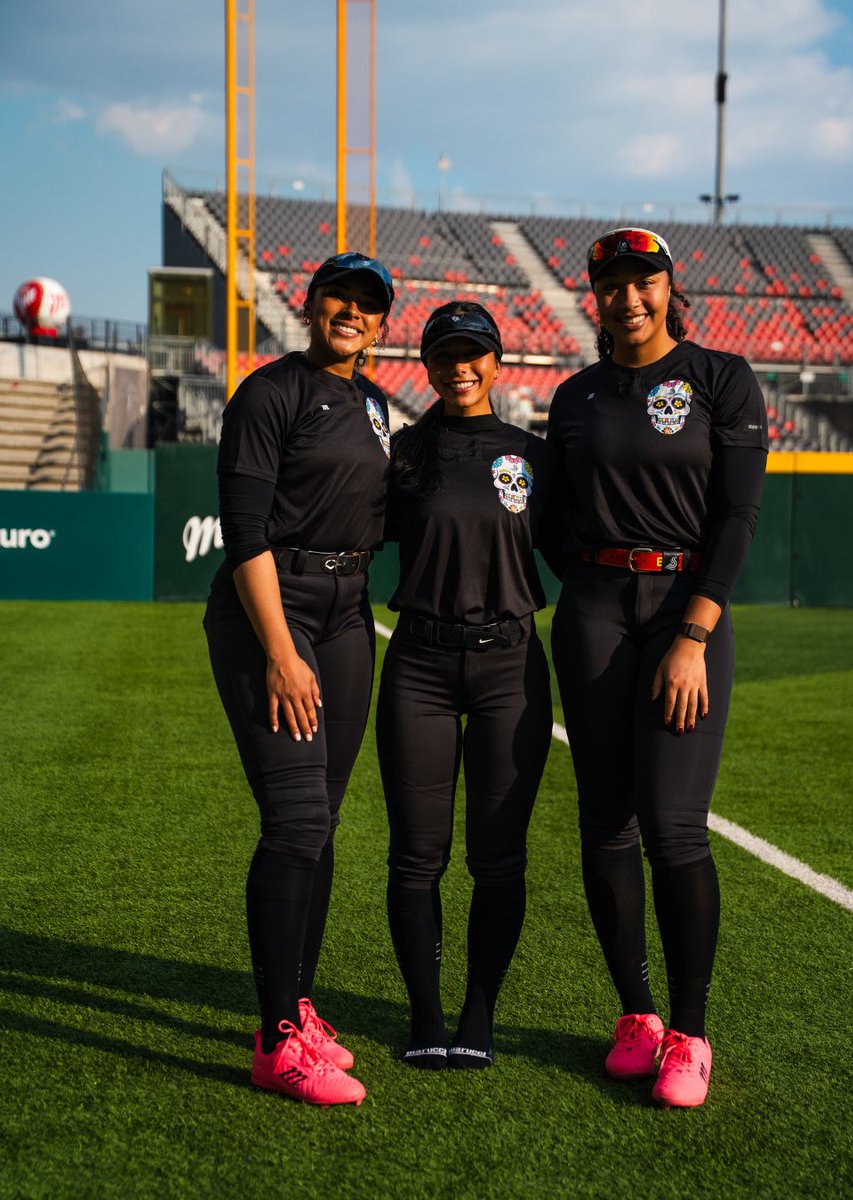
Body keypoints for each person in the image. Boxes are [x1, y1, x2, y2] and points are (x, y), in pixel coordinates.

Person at [547, 228, 768, 1107]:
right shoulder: (574, 397)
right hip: (596, 613)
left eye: (644, 281)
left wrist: (694, 634)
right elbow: (553, 522)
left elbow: (737, 517)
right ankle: (636, 1016)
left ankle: (689, 1032)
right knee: (606, 824)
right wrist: (591, 589)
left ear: (671, 287)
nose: (629, 297)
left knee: (674, 827)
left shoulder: (721, 378)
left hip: (686, 611)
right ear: (595, 299)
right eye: (613, 285)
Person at [203, 251, 395, 1107]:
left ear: (381, 323)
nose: (351, 312)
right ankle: (276, 1040)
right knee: (296, 819)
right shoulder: (270, 392)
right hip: (273, 609)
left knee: (324, 821)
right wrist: (280, 652)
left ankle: (300, 1007)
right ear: (310, 305)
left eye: (367, 304)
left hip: (349, 614)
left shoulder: (375, 403)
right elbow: (244, 532)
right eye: (338, 298)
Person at [376, 302, 559, 1070]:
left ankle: (479, 1012)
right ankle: (425, 1013)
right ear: (426, 365)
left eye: (473, 353)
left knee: (499, 858)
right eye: (445, 355)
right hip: (419, 667)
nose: (460, 367)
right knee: (416, 857)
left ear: (497, 362)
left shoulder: (532, 456)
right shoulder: (403, 453)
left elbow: (581, 551)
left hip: (509, 670)